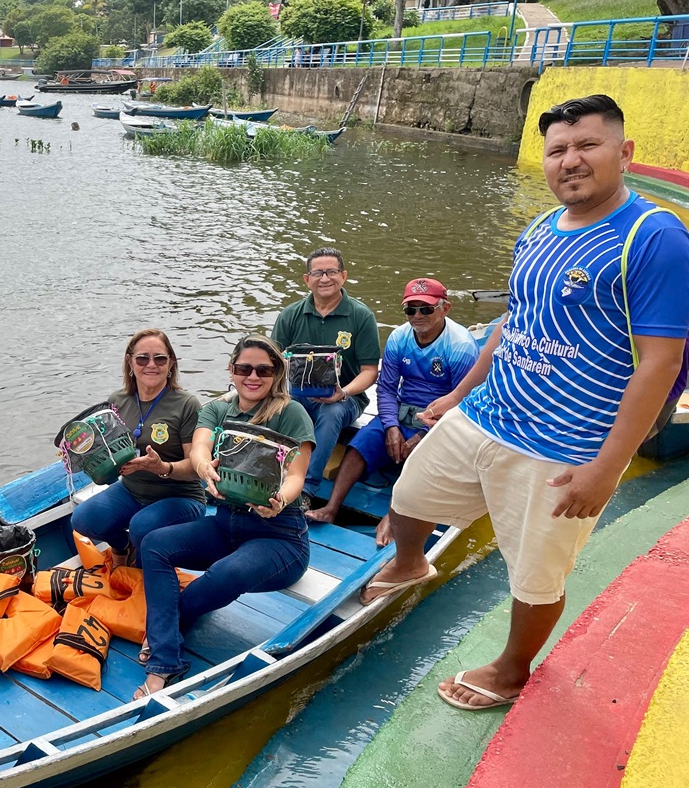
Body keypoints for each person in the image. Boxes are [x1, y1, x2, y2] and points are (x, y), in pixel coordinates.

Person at [363, 94, 689, 711]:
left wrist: (605, 466)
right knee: (408, 498)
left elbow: (661, 361)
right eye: (557, 149)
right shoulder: (540, 229)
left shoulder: (655, 239)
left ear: (624, 153)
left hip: (565, 445)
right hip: (487, 414)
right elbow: (513, 322)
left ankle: (512, 672)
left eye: (587, 145)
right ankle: (410, 563)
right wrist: (459, 395)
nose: (571, 160)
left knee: (536, 575)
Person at [135, 335, 315, 699]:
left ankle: (162, 634)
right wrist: (204, 467)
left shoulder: (290, 412)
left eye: (263, 369)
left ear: (276, 373)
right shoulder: (218, 409)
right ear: (231, 371)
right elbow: (201, 445)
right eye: (244, 368)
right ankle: (167, 654)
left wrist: (279, 499)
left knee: (227, 572)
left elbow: (296, 475)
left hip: (279, 535)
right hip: (226, 523)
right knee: (155, 544)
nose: (253, 376)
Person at [306, 278, 479, 545]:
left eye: (426, 309)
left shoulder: (460, 347)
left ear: (445, 308)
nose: (417, 316)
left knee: (425, 457)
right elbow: (386, 388)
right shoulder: (399, 338)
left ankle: (394, 518)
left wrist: (422, 434)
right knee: (359, 445)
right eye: (411, 310)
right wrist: (391, 426)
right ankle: (331, 507)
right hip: (401, 410)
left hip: (440, 419)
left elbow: (462, 403)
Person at [69, 329, 206, 567]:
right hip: (131, 491)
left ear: (171, 363)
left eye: (160, 358)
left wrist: (162, 467)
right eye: (142, 358)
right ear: (130, 362)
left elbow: (196, 468)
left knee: (142, 527)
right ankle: (121, 545)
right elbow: (106, 451)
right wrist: (80, 453)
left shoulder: (186, 404)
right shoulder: (117, 401)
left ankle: (143, 571)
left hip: (181, 497)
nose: (151, 365)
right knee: (83, 519)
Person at [271, 247, 381, 504]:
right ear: (306, 279)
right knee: (272, 407)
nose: (325, 278)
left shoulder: (360, 316)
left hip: (345, 397)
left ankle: (305, 490)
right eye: (318, 273)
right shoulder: (290, 315)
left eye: (331, 272)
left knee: (331, 413)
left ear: (343, 276)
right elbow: (273, 363)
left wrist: (344, 392)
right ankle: (270, 478)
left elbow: (369, 371)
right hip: (297, 393)